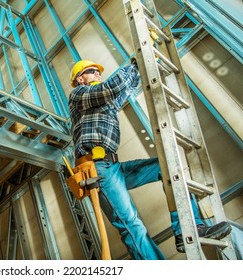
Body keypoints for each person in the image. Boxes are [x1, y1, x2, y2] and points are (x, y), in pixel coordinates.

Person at [68, 59, 232, 260]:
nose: (98, 73)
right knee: (131, 225)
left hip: (113, 166)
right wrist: (135, 63)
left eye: (98, 71)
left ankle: (187, 228)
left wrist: (143, 68)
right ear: (80, 78)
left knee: (165, 167)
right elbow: (111, 88)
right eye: (92, 71)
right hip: (97, 168)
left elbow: (123, 91)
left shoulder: (102, 102)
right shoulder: (78, 95)